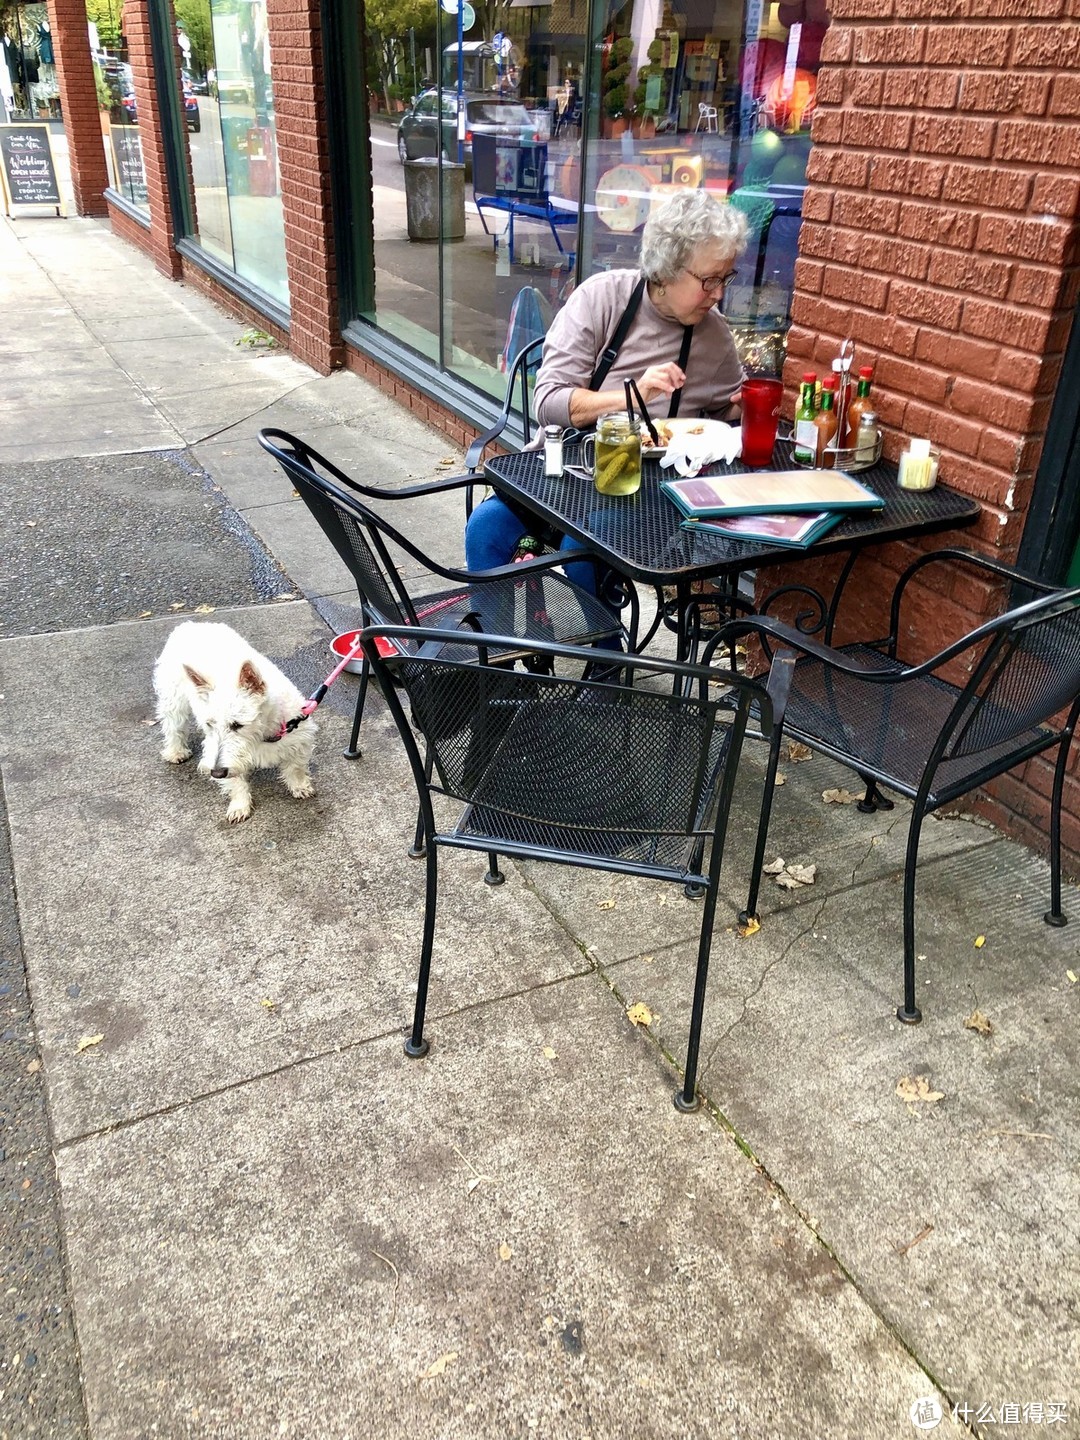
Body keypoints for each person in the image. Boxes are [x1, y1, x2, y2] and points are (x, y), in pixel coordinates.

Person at [465, 188, 749, 607]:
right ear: (667, 269)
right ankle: (497, 656)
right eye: (708, 280)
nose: (719, 294)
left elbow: (730, 416)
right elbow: (548, 401)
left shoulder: (715, 337)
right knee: (486, 530)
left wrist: (752, 412)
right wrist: (632, 396)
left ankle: (604, 661)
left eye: (726, 278)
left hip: (646, 497)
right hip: (562, 474)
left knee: (584, 549)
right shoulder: (601, 298)